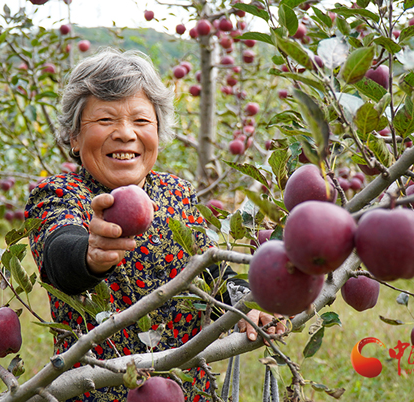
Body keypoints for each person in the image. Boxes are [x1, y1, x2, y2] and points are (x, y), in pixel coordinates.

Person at [25, 48, 284, 402]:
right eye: (105, 120)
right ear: (73, 136)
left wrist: (246, 302)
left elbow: (211, 272)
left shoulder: (177, 193)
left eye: (141, 121)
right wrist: (90, 254)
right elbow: (60, 257)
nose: (125, 133)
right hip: (99, 393)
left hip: (187, 391)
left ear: (159, 132)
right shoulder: (59, 194)